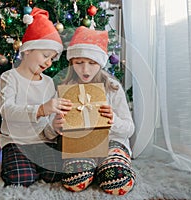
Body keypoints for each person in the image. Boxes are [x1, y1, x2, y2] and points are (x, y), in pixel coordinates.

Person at [53, 26, 136, 195]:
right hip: (81, 145)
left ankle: (108, 166)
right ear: (71, 62)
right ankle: (94, 170)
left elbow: (129, 129)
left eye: (92, 63)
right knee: (74, 181)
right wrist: (57, 125)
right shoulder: (66, 89)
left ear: (101, 62)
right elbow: (54, 127)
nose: (85, 70)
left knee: (117, 181)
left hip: (113, 142)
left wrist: (113, 121)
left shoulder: (113, 88)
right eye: (79, 63)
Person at [0, 7, 72, 187]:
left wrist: (54, 128)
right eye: (46, 55)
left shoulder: (48, 83)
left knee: (56, 173)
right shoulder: (10, 77)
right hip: (17, 141)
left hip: (42, 142)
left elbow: (48, 126)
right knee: (21, 178)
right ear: (28, 50)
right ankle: (21, 165)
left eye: (52, 59)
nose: (48, 62)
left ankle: (32, 165)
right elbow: (7, 110)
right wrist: (40, 109)